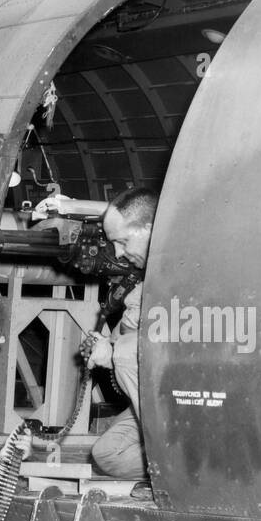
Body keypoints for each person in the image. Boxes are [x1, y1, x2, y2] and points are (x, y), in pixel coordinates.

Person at [87, 186, 159, 479]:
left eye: (123, 241)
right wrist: (106, 347)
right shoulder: (143, 285)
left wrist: (117, 352)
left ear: (149, 229)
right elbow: (125, 334)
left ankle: (176, 464)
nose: (118, 253)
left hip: (196, 398)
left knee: (129, 354)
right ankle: (166, 465)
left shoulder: (184, 266)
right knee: (106, 454)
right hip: (158, 402)